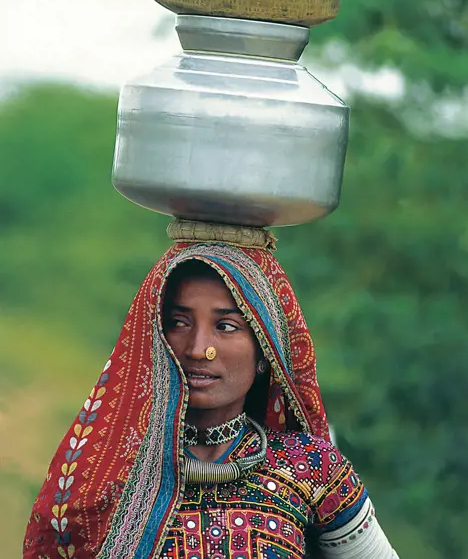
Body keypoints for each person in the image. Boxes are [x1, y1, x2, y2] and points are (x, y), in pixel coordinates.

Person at [23, 225, 399, 558]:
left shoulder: (310, 469)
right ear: (153, 336)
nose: (199, 348)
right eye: (178, 322)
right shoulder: (101, 475)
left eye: (227, 326)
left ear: (265, 349)